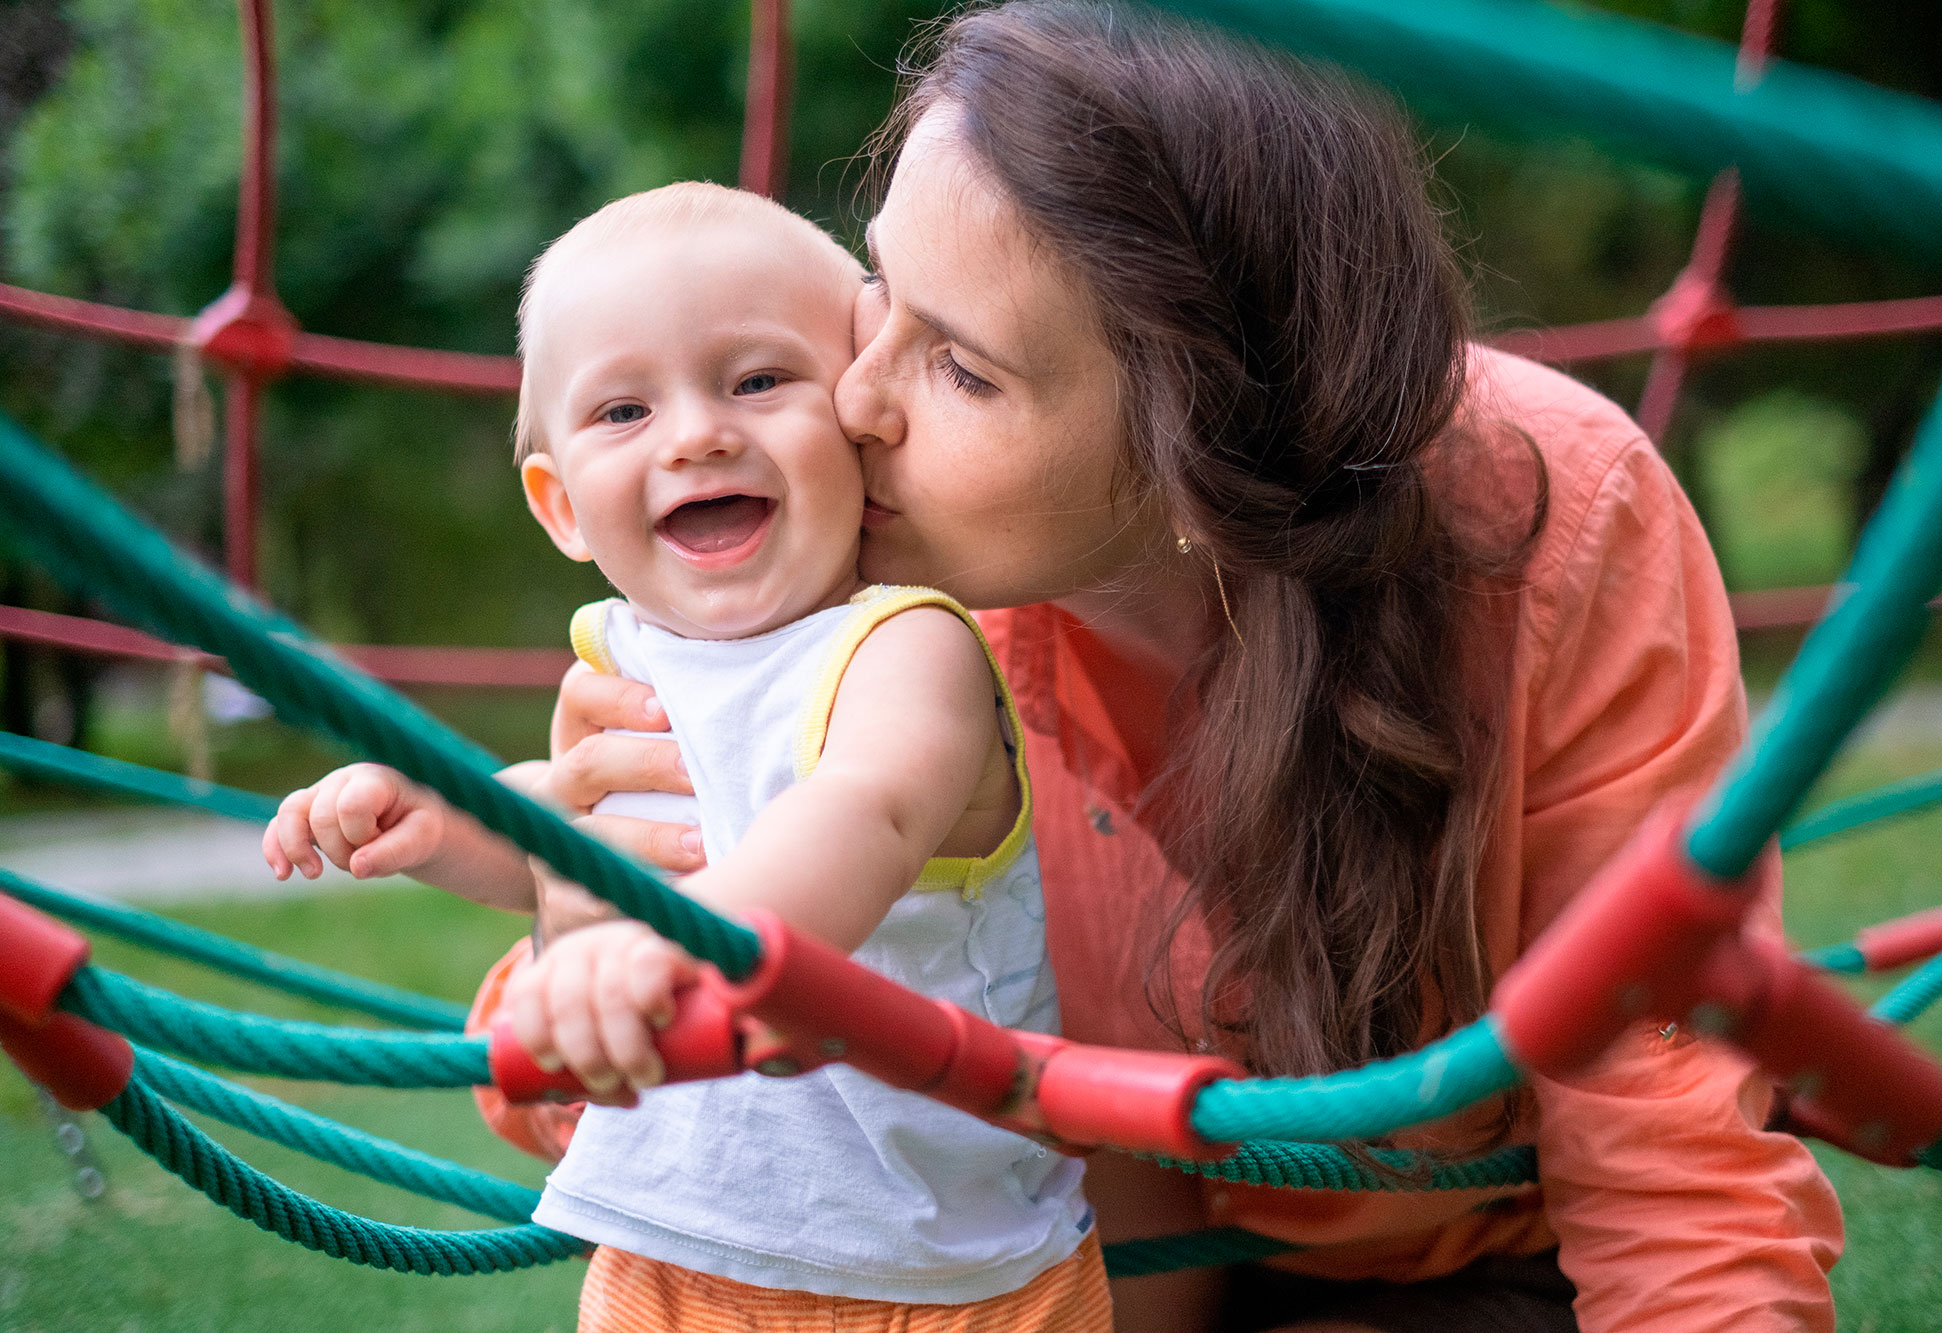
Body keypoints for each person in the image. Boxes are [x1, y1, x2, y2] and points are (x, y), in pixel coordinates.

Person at [523, 5, 1845, 1332]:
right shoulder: (853, 579)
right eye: (880, 296)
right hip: (1080, 1276)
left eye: (960, 368)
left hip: (1468, 1262)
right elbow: (581, 1093)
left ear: (1189, 461)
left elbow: (1670, 1155)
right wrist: (581, 920)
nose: (850, 400)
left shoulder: (1559, 515)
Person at [262, 182, 1111, 1332]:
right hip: (669, 1246)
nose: (698, 433)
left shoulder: (901, 644)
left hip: (931, 1273)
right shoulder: (627, 654)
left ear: (856, 426)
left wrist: (679, 944)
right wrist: (441, 816)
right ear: (561, 507)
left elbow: (867, 816)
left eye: (758, 381)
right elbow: (572, 841)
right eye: (621, 411)